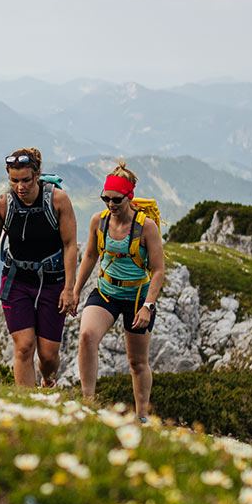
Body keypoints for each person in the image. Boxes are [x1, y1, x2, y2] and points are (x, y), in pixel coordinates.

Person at [0, 147, 79, 387]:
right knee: (23, 347)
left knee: (49, 356)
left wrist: (69, 288)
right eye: (14, 181)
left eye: (26, 180)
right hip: (17, 280)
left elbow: (70, 244)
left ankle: (48, 381)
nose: (20, 186)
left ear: (38, 175)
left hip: (52, 281)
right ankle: (28, 407)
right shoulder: (1, 205)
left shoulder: (58, 200)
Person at [74, 161, 167, 422]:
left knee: (137, 362)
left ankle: (141, 417)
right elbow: (90, 255)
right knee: (87, 337)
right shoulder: (98, 221)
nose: (110, 205)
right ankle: (88, 403)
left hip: (137, 299)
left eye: (116, 200)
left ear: (129, 197)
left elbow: (158, 270)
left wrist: (147, 307)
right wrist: (75, 291)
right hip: (105, 292)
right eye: (106, 199)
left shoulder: (146, 227)